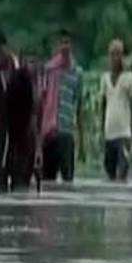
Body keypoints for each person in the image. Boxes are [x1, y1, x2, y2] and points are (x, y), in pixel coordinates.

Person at [0, 30, 37, 192]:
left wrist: (35, 140)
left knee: (20, 188)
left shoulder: (23, 73)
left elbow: (32, 107)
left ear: (6, 47)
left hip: (21, 140)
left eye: (1, 51)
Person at [36, 29, 84, 182]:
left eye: (68, 43)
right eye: (62, 43)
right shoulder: (49, 70)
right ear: (57, 45)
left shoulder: (77, 73)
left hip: (66, 132)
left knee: (68, 180)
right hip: (49, 134)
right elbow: (41, 104)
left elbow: (79, 105)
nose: (65, 46)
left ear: (72, 46)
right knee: (47, 182)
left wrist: (81, 141)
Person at [100, 39, 132, 182]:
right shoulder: (104, 78)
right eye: (113, 54)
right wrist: (101, 131)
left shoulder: (129, 78)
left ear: (123, 56)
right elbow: (103, 106)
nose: (115, 58)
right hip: (109, 133)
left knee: (122, 175)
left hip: (124, 134)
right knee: (110, 174)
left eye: (118, 54)